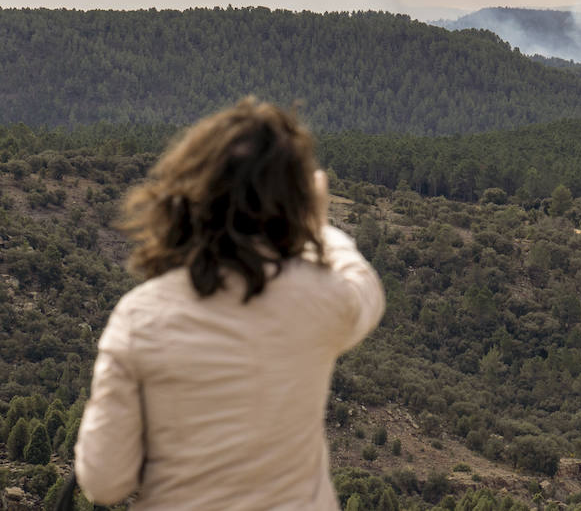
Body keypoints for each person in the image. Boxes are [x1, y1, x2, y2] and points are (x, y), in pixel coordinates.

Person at [75, 99, 385, 509]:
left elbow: (104, 482)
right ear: (293, 202)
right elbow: (363, 287)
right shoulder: (319, 300)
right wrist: (318, 225)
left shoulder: (140, 317)